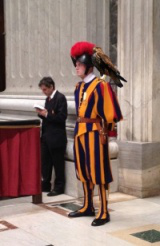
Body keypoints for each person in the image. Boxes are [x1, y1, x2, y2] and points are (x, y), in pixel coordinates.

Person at [68, 41, 123, 226]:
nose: (76, 67)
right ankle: (87, 206)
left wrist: (105, 132)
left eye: (79, 64)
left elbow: (110, 113)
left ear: (89, 66)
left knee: (98, 172)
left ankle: (104, 211)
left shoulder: (100, 85)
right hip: (80, 132)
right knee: (83, 171)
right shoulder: (78, 87)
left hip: (94, 133)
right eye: (76, 64)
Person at [36, 77, 67, 196]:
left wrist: (47, 114)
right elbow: (48, 117)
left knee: (58, 164)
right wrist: (42, 114)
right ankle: (46, 184)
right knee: (46, 162)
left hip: (57, 138)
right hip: (46, 136)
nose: (43, 92)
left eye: (45, 89)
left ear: (51, 87)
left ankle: (59, 187)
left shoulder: (60, 98)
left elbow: (61, 118)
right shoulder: (48, 99)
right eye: (42, 90)